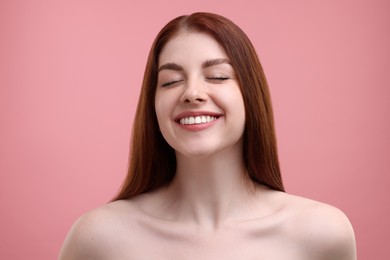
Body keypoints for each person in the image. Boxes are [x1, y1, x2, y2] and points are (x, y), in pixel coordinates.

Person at [59, 12, 356, 259]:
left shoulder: (322, 234)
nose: (192, 93)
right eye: (171, 81)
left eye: (218, 76)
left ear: (251, 95)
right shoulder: (98, 239)